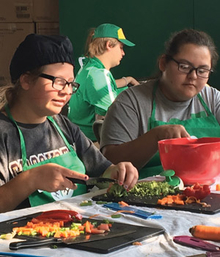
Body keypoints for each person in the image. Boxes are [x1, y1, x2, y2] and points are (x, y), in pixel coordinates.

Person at [0, 34, 138, 213]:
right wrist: (31, 179)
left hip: (79, 227)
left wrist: (118, 171)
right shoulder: (4, 134)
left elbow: (102, 170)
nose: (66, 92)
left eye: (71, 84)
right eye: (59, 82)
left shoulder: (63, 126)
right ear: (26, 80)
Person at [100, 28, 220, 179]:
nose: (193, 76)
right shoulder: (131, 102)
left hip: (207, 190)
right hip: (145, 195)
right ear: (163, 63)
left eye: (202, 70)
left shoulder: (213, 99)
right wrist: (156, 136)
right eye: (184, 66)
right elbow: (109, 163)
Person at [67, 23, 139, 142]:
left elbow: (107, 86)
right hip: (92, 145)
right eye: (121, 48)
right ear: (109, 45)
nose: (123, 53)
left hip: (80, 140)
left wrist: (128, 79)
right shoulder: (98, 75)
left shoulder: (90, 68)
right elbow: (115, 119)